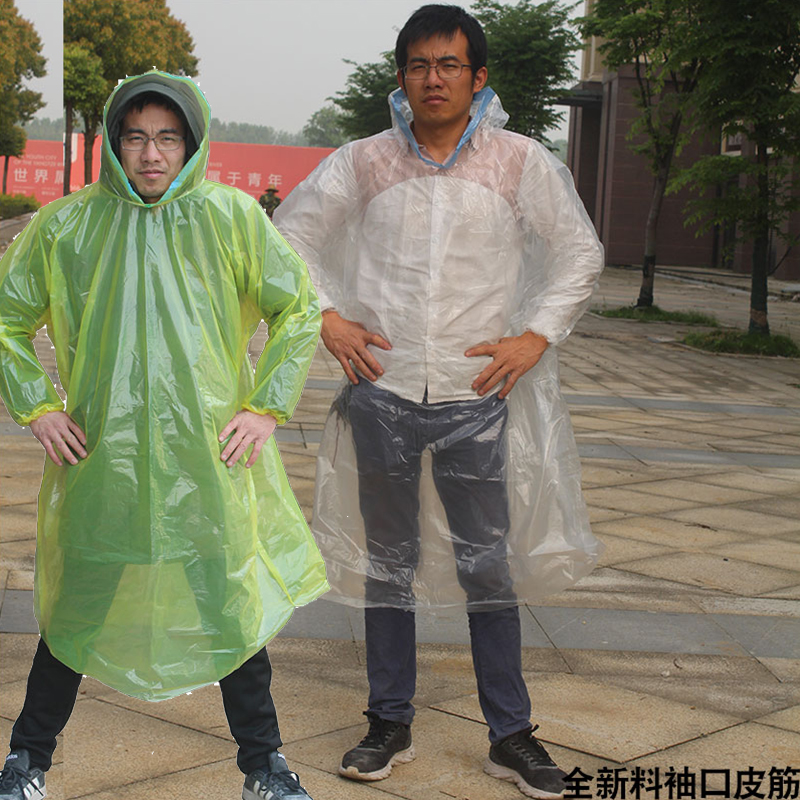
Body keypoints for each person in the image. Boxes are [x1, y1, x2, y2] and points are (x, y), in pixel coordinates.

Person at [274, 5, 605, 799]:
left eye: (449, 64)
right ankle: (388, 720)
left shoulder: (519, 162)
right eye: (419, 64)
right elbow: (287, 236)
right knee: (388, 566)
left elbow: (580, 252)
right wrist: (325, 315)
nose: (434, 78)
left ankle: (510, 734)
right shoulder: (362, 162)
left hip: (475, 394)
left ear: (477, 77)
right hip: (382, 388)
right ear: (401, 77)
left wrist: (536, 337)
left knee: (487, 567)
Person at [0, 71, 328, 800]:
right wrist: (37, 405)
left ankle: (264, 766)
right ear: (115, 143)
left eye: (168, 137)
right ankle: (27, 761)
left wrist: (265, 406)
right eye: (137, 136)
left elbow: (299, 310)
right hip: (103, 460)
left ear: (192, 142)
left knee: (230, 608)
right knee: (75, 612)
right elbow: (5, 319)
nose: (152, 154)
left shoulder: (232, 219)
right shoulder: (65, 227)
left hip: (206, 457)